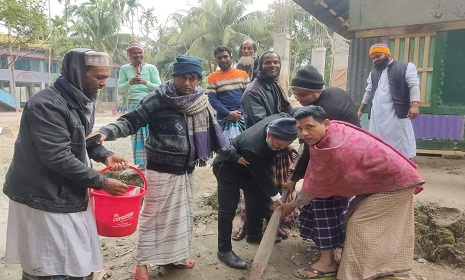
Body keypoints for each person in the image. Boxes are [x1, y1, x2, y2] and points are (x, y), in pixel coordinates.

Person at [97, 55, 229, 280]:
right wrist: (106, 132)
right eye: (183, 77)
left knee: (182, 216)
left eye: (193, 78)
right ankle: (141, 265)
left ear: (198, 80)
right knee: (152, 217)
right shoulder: (156, 99)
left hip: (187, 169)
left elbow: (215, 133)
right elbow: (130, 121)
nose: (187, 83)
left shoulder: (200, 100)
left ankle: (177, 256)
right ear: (174, 76)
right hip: (160, 169)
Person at [3, 49, 129, 280]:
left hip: (66, 190)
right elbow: (57, 156)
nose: (103, 83)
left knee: (71, 259)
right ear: (78, 72)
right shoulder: (46, 105)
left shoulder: (79, 100)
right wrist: (101, 182)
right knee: (50, 264)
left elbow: (80, 138)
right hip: (44, 196)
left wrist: (104, 155)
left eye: (106, 77)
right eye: (98, 77)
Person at [283, 105, 424, 280]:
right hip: (380, 181)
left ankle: (356, 274)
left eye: (309, 127)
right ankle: (373, 266)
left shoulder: (333, 148)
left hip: (396, 184)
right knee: (353, 220)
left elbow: (314, 187)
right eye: (300, 129)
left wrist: (291, 205)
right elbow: (315, 178)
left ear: (325, 123)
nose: (304, 133)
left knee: (358, 225)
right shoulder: (330, 133)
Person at [284, 65, 360, 278]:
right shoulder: (332, 94)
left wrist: (294, 182)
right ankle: (327, 251)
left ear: (316, 90)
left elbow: (310, 150)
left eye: (303, 95)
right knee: (325, 205)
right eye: (296, 95)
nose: (299, 99)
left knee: (324, 205)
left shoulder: (326, 110)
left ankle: (328, 262)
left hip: (341, 164)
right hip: (343, 160)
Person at [213, 114, 298, 269]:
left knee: (257, 201)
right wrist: (277, 197)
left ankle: (254, 235)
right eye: (278, 145)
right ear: (269, 134)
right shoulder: (252, 146)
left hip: (249, 170)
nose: (280, 148)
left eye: (285, 146)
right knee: (228, 210)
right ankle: (224, 250)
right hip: (227, 170)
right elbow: (263, 177)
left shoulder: (281, 121)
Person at [240, 50, 297, 240]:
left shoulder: (275, 84)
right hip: (262, 144)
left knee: (275, 184)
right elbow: (263, 122)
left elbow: (287, 109)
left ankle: (273, 224)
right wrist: (286, 129)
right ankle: (249, 225)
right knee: (259, 188)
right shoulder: (253, 91)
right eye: (267, 63)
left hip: (276, 141)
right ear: (259, 66)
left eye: (276, 62)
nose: (273, 66)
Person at [357, 43, 420, 158]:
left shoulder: (405, 67)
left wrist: (415, 105)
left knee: (400, 146)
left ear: (387, 54)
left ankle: (404, 169)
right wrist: (360, 110)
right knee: (378, 145)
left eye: (378, 56)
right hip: (377, 116)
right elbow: (368, 91)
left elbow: (414, 85)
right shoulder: (373, 73)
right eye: (373, 58)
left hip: (396, 114)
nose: (376, 60)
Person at [117, 41, 162, 169]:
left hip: (151, 103)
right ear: (129, 54)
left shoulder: (151, 68)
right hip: (133, 104)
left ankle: (154, 160)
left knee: (151, 131)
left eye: (140, 52)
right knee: (137, 133)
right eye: (134, 53)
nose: (138, 55)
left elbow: (159, 87)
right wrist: (130, 82)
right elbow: (120, 89)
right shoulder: (125, 69)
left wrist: (145, 82)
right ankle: (143, 163)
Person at [206, 45, 249, 143]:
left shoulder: (243, 74)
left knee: (244, 146)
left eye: (225, 56)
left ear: (231, 57)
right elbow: (213, 99)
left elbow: (248, 96)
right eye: (219, 58)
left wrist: (239, 112)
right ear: (216, 60)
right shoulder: (212, 78)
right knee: (225, 150)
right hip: (223, 119)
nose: (223, 60)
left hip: (243, 118)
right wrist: (228, 113)